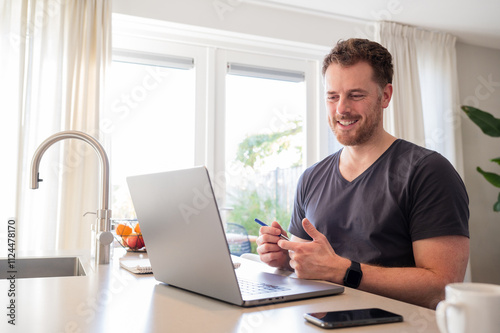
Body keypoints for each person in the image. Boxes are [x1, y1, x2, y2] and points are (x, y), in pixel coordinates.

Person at [256, 38, 470, 309]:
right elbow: (305, 261)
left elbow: (443, 288)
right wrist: (283, 257)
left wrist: (344, 271)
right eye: (332, 96)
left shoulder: (428, 172)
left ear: (385, 96)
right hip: (316, 321)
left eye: (355, 95)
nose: (341, 109)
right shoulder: (311, 178)